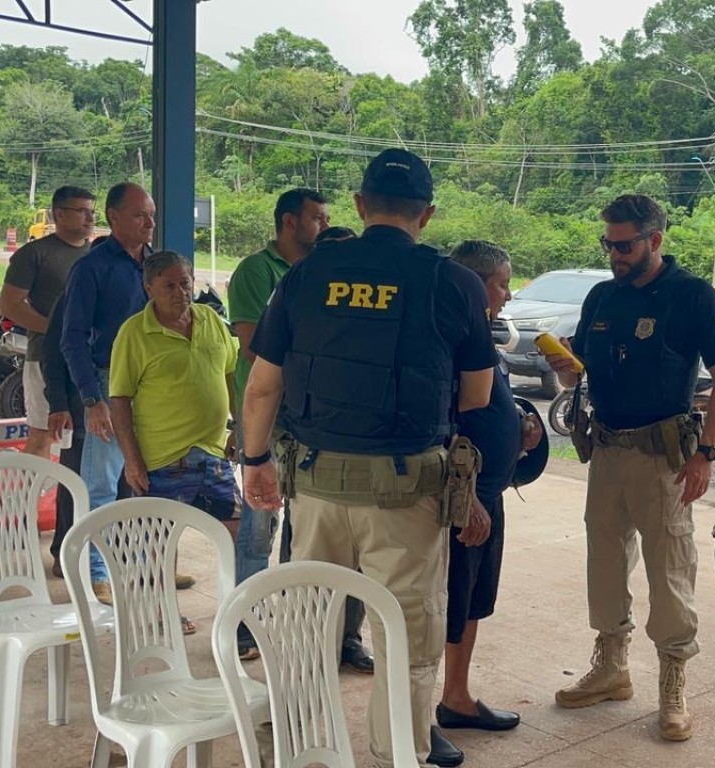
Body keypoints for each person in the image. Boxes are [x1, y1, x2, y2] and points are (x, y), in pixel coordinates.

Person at [239, 148, 496, 768]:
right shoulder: (453, 282)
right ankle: (395, 757)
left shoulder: (303, 276)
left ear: (359, 206)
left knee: (309, 628)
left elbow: (262, 385)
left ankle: (305, 753)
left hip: (317, 487)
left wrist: (254, 461)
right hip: (406, 495)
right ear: (427, 215)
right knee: (405, 641)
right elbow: (478, 393)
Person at [544, 194, 715, 742]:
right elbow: (574, 377)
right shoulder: (602, 297)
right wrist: (564, 367)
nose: (614, 253)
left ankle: (672, 682)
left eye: (624, 244)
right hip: (606, 449)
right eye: (608, 243)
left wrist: (707, 451)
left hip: (665, 460)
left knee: (669, 567)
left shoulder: (693, 296)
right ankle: (612, 668)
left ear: (655, 240)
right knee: (603, 562)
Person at [227, 189, 372, 669]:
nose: (322, 223)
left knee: (318, 539)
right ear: (290, 222)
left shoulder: (322, 281)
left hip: (317, 425)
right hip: (271, 424)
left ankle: (340, 637)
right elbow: (255, 349)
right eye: (316, 217)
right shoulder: (259, 273)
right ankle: (249, 623)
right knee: (261, 526)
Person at [435, 241, 543, 746]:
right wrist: (467, 498)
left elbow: (488, 409)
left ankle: (457, 697)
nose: (508, 292)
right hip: (463, 500)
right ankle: (416, 715)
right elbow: (447, 424)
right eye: (502, 282)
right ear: (476, 285)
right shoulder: (451, 338)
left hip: (490, 493)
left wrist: (519, 429)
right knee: (445, 606)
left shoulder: (482, 336)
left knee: (475, 602)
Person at [107, 251, 239, 636]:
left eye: (185, 282)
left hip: (213, 456)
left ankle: (241, 613)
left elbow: (230, 372)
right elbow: (119, 400)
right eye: (169, 286)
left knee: (239, 533)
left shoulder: (211, 320)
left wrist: (239, 426)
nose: (181, 292)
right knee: (158, 545)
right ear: (148, 288)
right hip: (163, 459)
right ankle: (160, 614)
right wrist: (131, 460)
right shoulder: (134, 332)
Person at [60, 183, 163, 603]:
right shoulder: (93, 268)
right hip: (107, 381)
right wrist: (92, 400)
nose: (149, 222)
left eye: (151, 214)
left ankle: (142, 566)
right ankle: (96, 572)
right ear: (114, 217)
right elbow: (71, 339)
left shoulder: (157, 265)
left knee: (147, 480)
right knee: (101, 483)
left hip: (154, 385)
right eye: (140, 215)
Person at [0, 186, 95, 458]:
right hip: (45, 356)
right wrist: (60, 333)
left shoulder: (95, 257)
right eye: (82, 211)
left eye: (92, 212)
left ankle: (72, 498)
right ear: (60, 215)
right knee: (44, 433)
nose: (89, 218)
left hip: (88, 362)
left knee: (85, 437)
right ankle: (28, 498)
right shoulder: (35, 253)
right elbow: (10, 305)